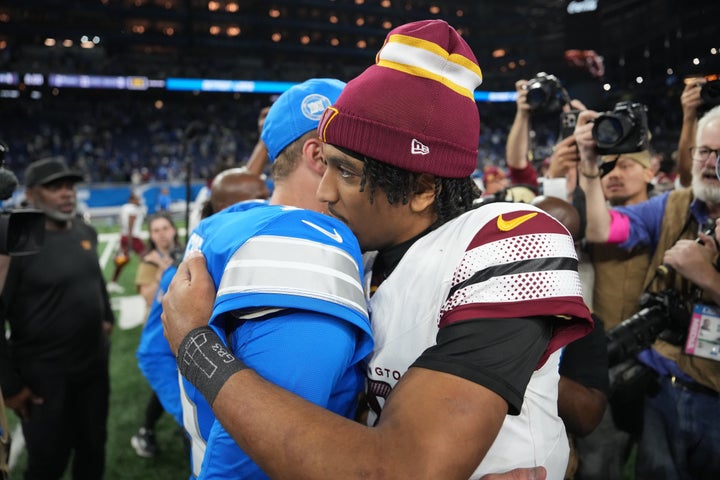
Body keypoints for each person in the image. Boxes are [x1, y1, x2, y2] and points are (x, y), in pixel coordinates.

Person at [163, 20, 592, 480]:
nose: (325, 192)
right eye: (326, 164)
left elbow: (401, 468)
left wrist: (197, 347)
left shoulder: (510, 240)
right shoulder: (365, 251)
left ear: (423, 187)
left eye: (346, 172)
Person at [180, 78, 375, 479]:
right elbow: (263, 446)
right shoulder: (305, 243)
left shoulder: (226, 222)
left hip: (202, 449)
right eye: (368, 145)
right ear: (319, 156)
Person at [575, 103, 720, 479]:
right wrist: (590, 169)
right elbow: (603, 231)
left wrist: (709, 277)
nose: (710, 163)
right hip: (664, 387)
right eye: (705, 151)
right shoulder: (673, 206)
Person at [131, 169, 270, 460]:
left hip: (202, 364)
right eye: (258, 201)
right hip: (179, 370)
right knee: (199, 438)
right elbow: (155, 344)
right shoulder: (191, 268)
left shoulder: (231, 253)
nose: (268, 206)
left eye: (266, 199)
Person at [0, 157, 114, 479]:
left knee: (93, 450)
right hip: (43, 379)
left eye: (70, 186)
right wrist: (9, 386)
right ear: (32, 193)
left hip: (92, 369)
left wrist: (105, 314)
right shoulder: (16, 238)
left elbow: (95, 279)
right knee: (48, 463)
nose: (67, 194)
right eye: (55, 187)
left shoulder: (84, 229)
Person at [135, 212, 182, 317]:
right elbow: (149, 300)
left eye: (165, 228)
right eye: (156, 231)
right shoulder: (148, 262)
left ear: (174, 230)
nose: (161, 233)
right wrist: (162, 270)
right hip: (158, 320)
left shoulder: (186, 253)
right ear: (151, 236)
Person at [108, 191, 146, 293]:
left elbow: (121, 222)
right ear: (131, 200)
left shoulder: (124, 207)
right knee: (146, 257)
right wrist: (130, 242)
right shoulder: (132, 209)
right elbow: (131, 223)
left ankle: (113, 282)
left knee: (123, 259)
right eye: (136, 199)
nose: (138, 201)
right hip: (132, 237)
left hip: (125, 235)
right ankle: (146, 281)